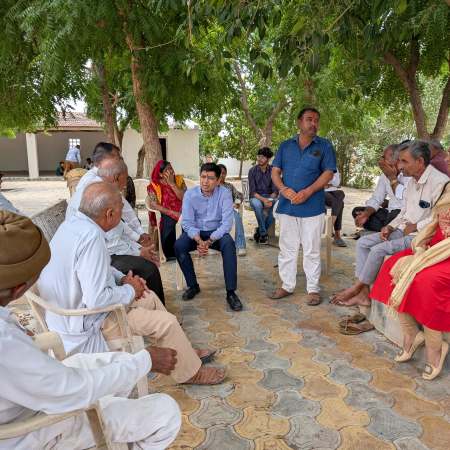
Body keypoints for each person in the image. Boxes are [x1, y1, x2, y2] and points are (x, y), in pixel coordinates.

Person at [0, 209, 181, 449]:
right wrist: (146, 360)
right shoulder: (5, 342)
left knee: (117, 361)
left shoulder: (75, 227)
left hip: (32, 393)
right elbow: (72, 392)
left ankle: (116, 419)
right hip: (36, 426)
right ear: (18, 289)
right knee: (166, 412)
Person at [38, 182, 226, 385]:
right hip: (87, 322)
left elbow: (95, 267)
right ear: (110, 214)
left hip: (73, 313)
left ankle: (183, 352)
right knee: (167, 323)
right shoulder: (92, 237)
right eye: (121, 210)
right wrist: (130, 289)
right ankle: (189, 374)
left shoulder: (73, 225)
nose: (123, 216)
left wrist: (122, 279)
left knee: (148, 296)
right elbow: (96, 300)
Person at [331, 140, 450, 308]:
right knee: (363, 242)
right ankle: (363, 294)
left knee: (378, 250)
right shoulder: (412, 180)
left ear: (420, 161)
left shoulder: (440, 182)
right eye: (399, 160)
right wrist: (390, 226)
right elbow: (403, 211)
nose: (399, 166)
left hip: (420, 236)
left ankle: (356, 288)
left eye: (404, 161)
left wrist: (416, 226)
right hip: (402, 229)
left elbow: (440, 217)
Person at [370, 182, 450, 380]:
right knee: (395, 267)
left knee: (427, 281)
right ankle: (411, 333)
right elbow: (436, 216)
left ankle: (436, 346)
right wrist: (429, 237)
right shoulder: (447, 186)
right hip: (435, 248)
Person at [68, 157, 165, 302]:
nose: (125, 186)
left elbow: (119, 228)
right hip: (106, 256)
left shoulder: (103, 188)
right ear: (116, 177)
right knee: (148, 269)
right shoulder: (98, 194)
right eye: (124, 182)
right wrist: (131, 290)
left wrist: (138, 244)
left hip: (106, 253)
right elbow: (112, 244)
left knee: (145, 264)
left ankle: (153, 305)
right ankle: (154, 307)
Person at [271, 107, 337, 305]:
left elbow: (328, 173)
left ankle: (313, 289)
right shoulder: (285, 146)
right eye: (309, 119)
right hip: (287, 206)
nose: (313, 123)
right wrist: (283, 189)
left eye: (316, 120)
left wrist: (308, 192)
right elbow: (275, 171)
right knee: (287, 248)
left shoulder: (324, 146)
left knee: (311, 249)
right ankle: (287, 285)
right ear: (299, 122)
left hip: (313, 207)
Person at [174, 163, 243, 311]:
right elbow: (187, 222)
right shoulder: (190, 195)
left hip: (216, 233)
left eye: (210, 178)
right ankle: (193, 286)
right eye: (203, 177)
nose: (205, 181)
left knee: (229, 244)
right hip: (196, 233)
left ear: (218, 181)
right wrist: (199, 240)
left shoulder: (224, 193)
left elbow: (227, 223)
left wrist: (210, 240)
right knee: (179, 245)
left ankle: (231, 292)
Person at [352, 144, 409, 232]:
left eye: (384, 158)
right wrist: (366, 214)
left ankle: (389, 229)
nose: (381, 162)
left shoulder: (408, 174)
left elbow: (406, 200)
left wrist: (392, 178)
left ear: (396, 160)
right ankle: (388, 229)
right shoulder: (384, 175)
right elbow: (376, 198)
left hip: (402, 213)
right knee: (357, 212)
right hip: (389, 212)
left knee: (396, 215)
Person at [147, 160, 186, 260]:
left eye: (171, 168)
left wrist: (172, 184)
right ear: (161, 174)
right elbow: (155, 205)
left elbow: (184, 198)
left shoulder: (179, 180)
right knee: (170, 222)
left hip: (183, 210)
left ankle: (186, 248)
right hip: (165, 213)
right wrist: (172, 213)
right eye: (167, 170)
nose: (171, 171)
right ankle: (170, 253)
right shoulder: (154, 186)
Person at [248, 147, 278, 244]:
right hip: (256, 197)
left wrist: (269, 199)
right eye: (259, 156)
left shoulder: (273, 170)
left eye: (263, 157)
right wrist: (264, 200)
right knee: (257, 205)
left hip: (269, 196)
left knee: (278, 206)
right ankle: (263, 233)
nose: (259, 159)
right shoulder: (252, 171)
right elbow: (253, 192)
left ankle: (260, 231)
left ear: (268, 159)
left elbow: (275, 191)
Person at [218, 163, 247, 256]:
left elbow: (239, 195)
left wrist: (237, 202)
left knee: (237, 217)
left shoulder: (229, 186)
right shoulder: (212, 186)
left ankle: (241, 246)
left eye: (224, 173)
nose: (222, 175)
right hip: (215, 211)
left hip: (229, 210)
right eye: (220, 173)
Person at [324, 169, 346, 247]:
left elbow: (337, 183)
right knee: (340, 203)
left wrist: (327, 183)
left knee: (341, 193)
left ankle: (329, 227)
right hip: (320, 191)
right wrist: (327, 182)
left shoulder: (333, 166)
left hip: (333, 191)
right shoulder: (316, 164)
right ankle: (337, 235)